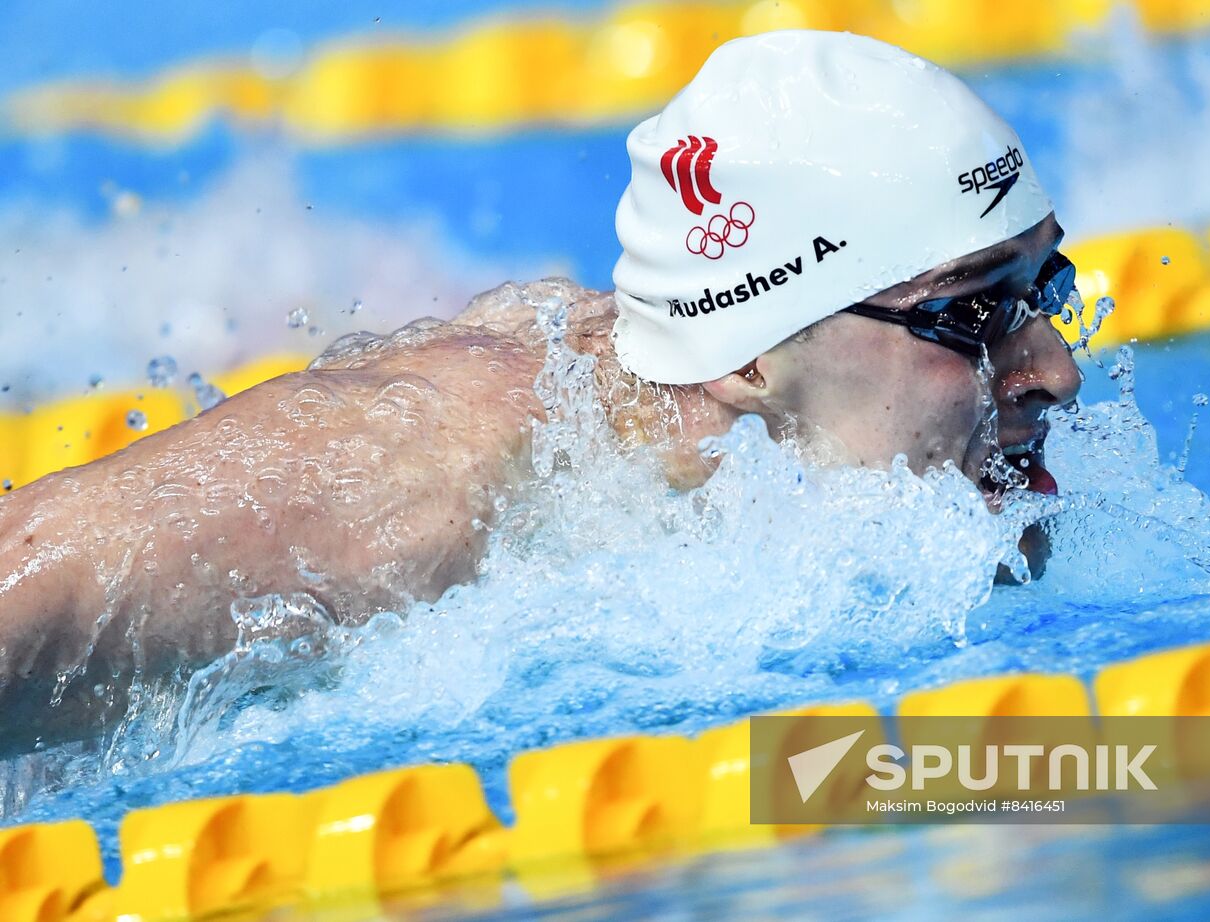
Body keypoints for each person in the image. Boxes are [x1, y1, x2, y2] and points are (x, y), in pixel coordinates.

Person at [0, 31, 1081, 748]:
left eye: (1045, 288)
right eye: (973, 314)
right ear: (747, 357)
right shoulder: (426, 494)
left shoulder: (725, 466)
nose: (1054, 372)